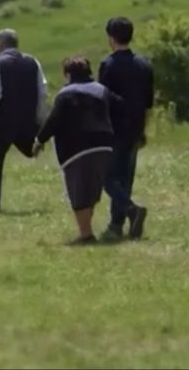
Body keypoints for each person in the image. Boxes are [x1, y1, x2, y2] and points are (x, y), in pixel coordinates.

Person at [34, 57, 122, 245]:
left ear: (68, 74)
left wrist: (39, 141)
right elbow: (120, 109)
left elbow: (53, 121)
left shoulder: (65, 94)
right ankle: (87, 232)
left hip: (77, 149)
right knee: (92, 191)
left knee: (79, 192)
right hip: (104, 145)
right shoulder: (102, 90)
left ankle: (86, 236)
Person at [0, 29, 48, 212]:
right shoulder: (33, 62)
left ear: (0, 45)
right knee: (31, 151)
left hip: (4, 122)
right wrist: (41, 121)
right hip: (27, 121)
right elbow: (42, 92)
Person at [98, 17, 154, 241]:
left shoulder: (108, 65)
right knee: (125, 179)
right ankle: (117, 224)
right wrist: (143, 130)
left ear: (111, 38)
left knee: (106, 178)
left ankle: (130, 211)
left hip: (114, 129)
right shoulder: (144, 65)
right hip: (135, 128)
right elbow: (148, 103)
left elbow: (103, 100)